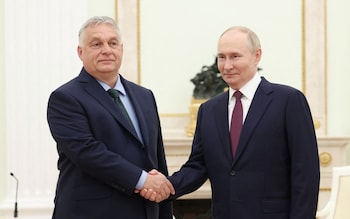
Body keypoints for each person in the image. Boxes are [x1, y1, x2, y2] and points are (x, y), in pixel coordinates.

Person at [142, 26, 320, 218]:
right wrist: (165, 186)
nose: (226, 66)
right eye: (221, 57)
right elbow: (197, 166)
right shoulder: (208, 110)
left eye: (235, 56)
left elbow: (306, 174)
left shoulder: (288, 101)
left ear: (257, 55)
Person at [47, 16, 174, 219]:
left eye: (112, 43)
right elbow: (88, 153)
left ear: (121, 49)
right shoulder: (65, 98)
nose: (107, 50)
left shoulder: (145, 96)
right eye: (96, 44)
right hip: (91, 213)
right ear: (80, 52)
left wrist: (165, 211)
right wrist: (143, 180)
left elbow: (157, 158)